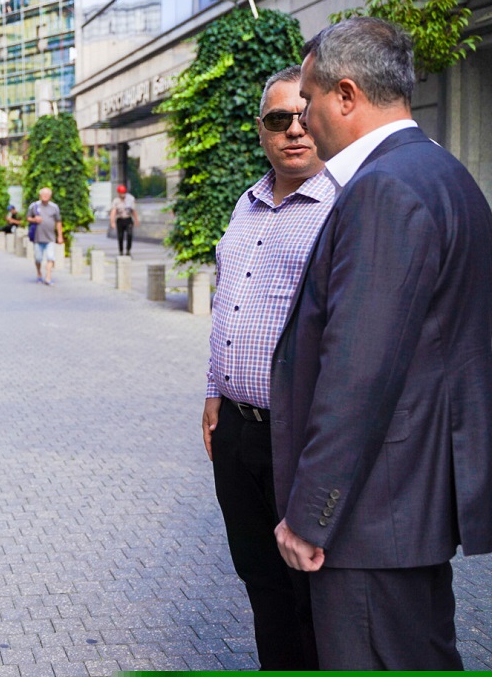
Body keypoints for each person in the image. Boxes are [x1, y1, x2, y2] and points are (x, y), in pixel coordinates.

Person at [271, 16, 492, 670]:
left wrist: (310, 514)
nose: (303, 118)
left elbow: (359, 373)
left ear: (346, 95)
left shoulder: (383, 188)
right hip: (407, 506)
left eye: (308, 98)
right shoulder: (443, 172)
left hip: (370, 514)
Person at [202, 65, 331, 670]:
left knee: (312, 590)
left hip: (299, 434)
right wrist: (213, 389)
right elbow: (227, 301)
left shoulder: (342, 205)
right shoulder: (246, 203)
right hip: (235, 429)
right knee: (259, 577)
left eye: (304, 116)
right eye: (280, 119)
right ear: (261, 130)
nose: (295, 130)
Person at [26, 188, 62, 285]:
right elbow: (28, 218)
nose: (45, 196)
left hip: (50, 237)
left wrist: (60, 236)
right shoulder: (34, 206)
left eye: (47, 194)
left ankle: (48, 277)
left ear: (50, 196)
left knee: (50, 257)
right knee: (38, 258)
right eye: (43, 194)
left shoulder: (54, 207)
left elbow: (58, 221)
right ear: (40, 195)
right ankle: (39, 273)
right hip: (38, 237)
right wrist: (34, 219)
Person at [108, 184, 139, 256]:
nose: (123, 194)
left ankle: (128, 250)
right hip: (120, 219)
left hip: (128, 219)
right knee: (120, 236)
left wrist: (136, 219)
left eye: (124, 193)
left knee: (129, 234)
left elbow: (133, 210)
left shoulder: (130, 199)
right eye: (121, 193)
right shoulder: (116, 201)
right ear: (118, 193)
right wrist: (112, 222)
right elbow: (113, 212)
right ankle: (121, 251)